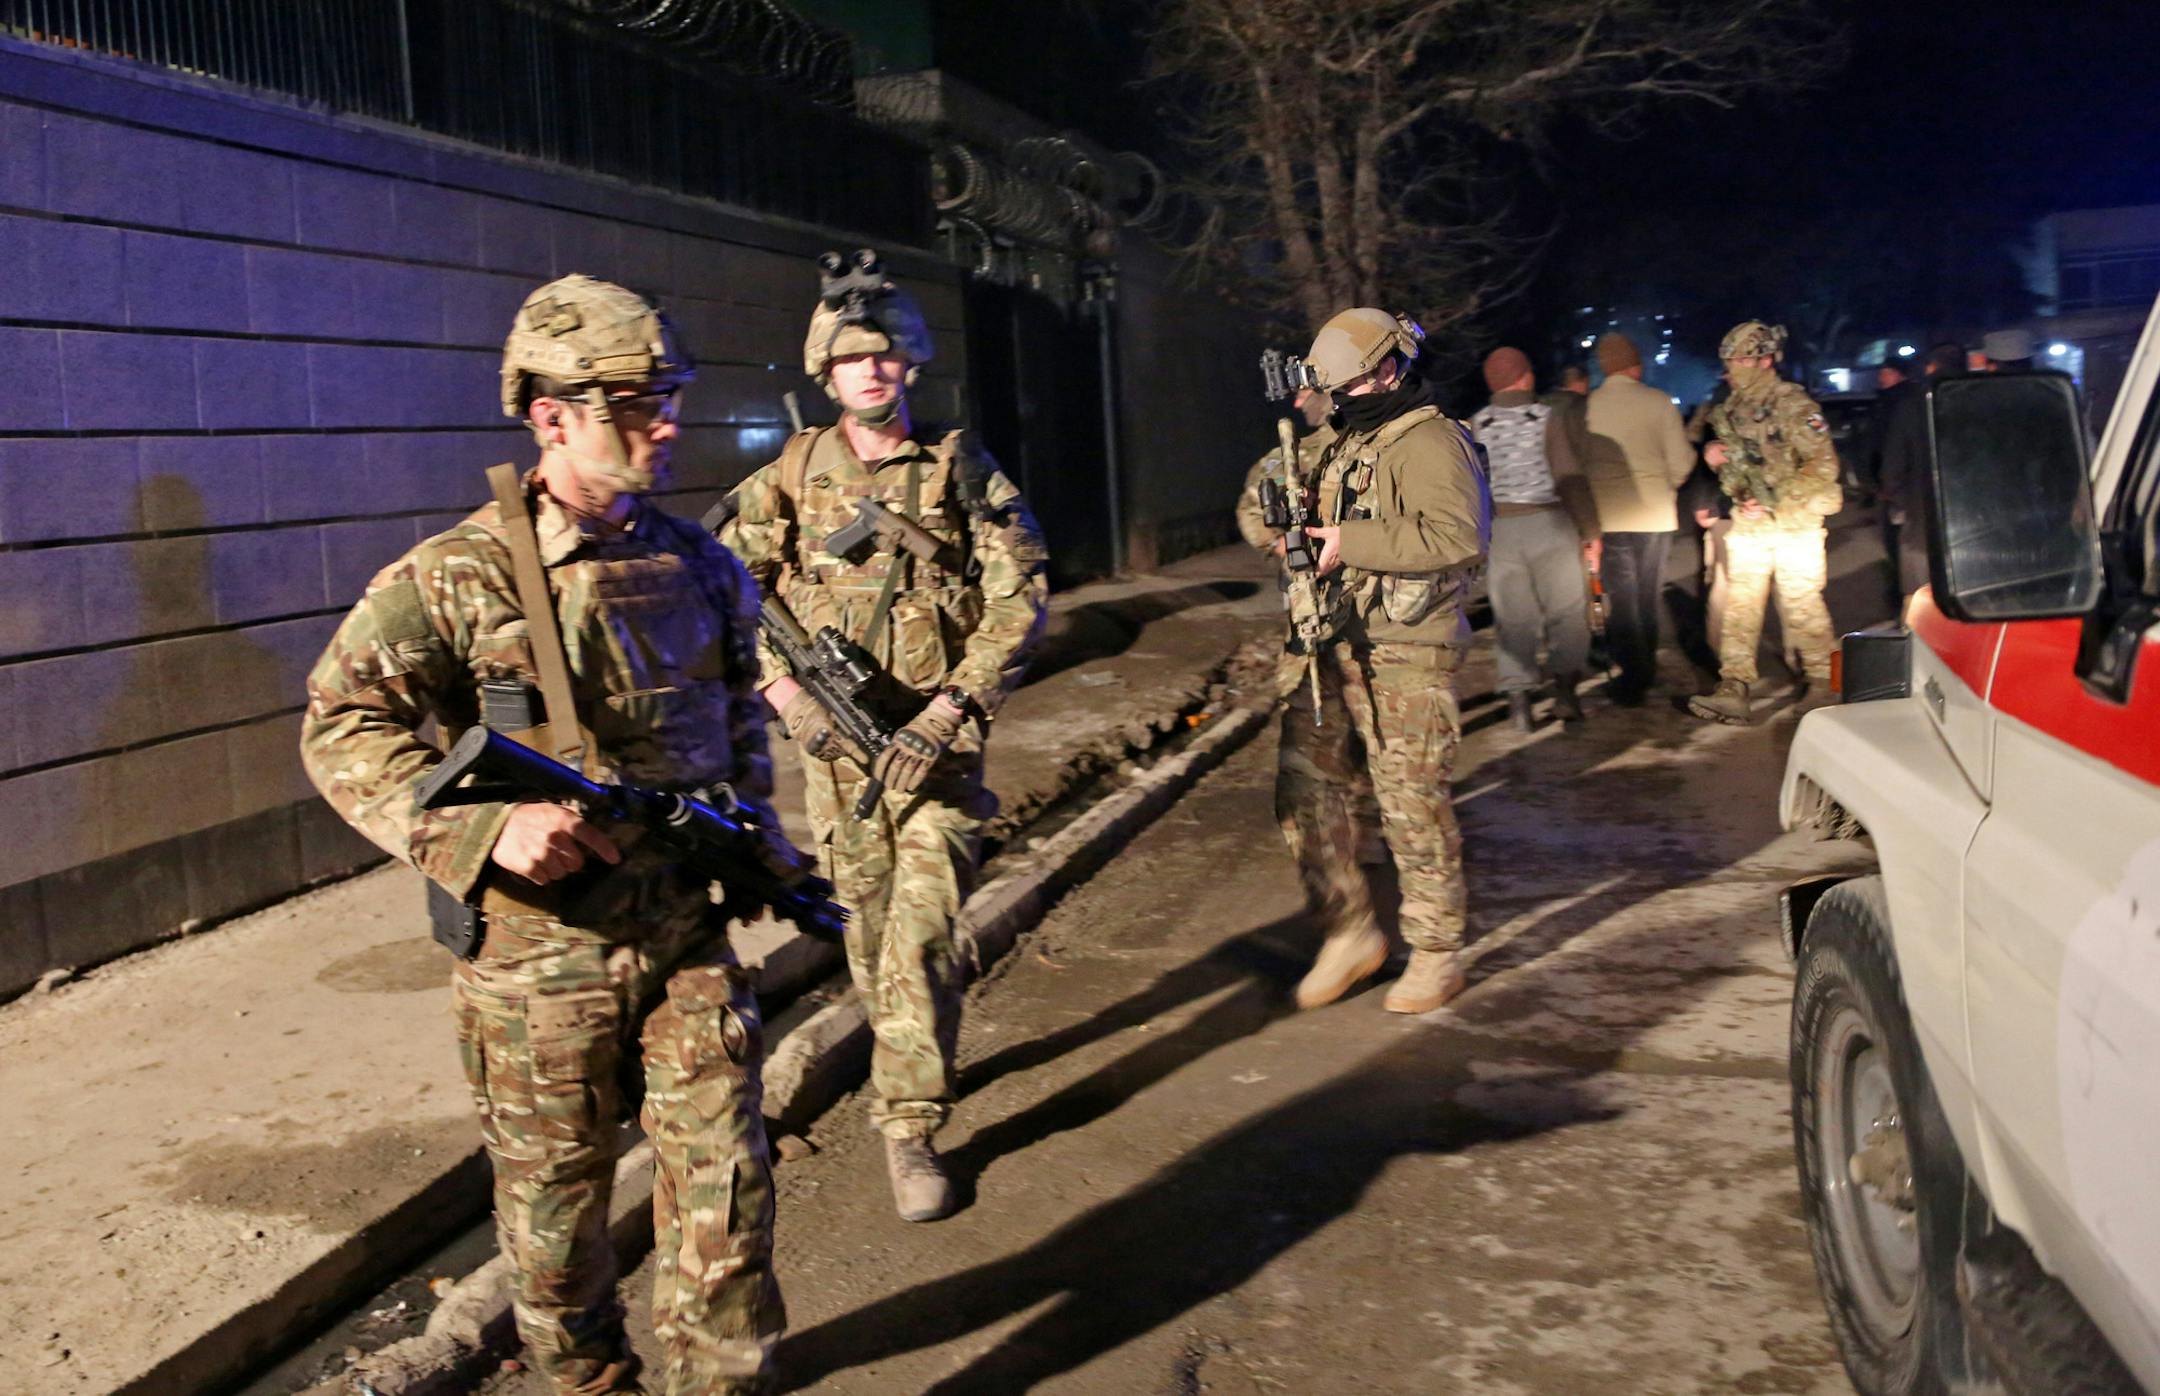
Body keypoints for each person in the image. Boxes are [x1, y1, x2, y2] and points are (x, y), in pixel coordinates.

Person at [299, 275, 787, 1394]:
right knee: (557, 1222)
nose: (664, 423)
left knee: (727, 1187)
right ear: (549, 414)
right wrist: (480, 826)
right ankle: (584, 1379)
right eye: (632, 402)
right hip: (538, 962)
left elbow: (738, 713)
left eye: (667, 395)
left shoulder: (701, 563)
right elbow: (340, 722)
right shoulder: (455, 574)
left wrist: (757, 838)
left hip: (681, 941)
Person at [715, 252, 1049, 1223]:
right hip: (834, 759)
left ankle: (908, 1122)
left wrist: (958, 702)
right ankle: (913, 1053)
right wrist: (783, 692)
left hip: (935, 750)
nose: (872, 372)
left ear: (911, 365)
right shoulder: (788, 474)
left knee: (925, 930)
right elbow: (725, 592)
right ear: (826, 373)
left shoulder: (957, 467)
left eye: (887, 357)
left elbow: (1018, 592)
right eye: (853, 359)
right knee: (867, 931)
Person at [1273, 307, 1489, 1015]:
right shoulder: (1343, 440)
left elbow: (1458, 536)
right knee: (1306, 790)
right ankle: (1348, 929)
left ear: (1391, 369)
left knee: (1411, 804)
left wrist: (1350, 542)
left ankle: (1436, 950)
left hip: (1406, 649)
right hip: (1332, 641)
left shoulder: (1429, 441)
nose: (1341, 400)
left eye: (1352, 385)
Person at [1688, 320, 1843, 724]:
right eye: (1729, 361)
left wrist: (1773, 497)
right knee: (1741, 605)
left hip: (1795, 524)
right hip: (1751, 523)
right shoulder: (1733, 409)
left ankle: (1826, 682)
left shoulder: (1793, 404)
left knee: (1802, 604)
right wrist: (1722, 465)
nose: (1731, 369)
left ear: (1763, 360)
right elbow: (1741, 469)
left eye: (1739, 360)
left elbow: (1823, 466)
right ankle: (1733, 687)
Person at [1469, 347, 1599, 730]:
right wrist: (1590, 531)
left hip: (1502, 532)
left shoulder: (1477, 423)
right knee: (1567, 611)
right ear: (1525, 378)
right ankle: (1565, 692)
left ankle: (1519, 700)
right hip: (1550, 524)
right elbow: (1568, 477)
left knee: (1513, 618)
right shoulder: (1546, 417)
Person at [1582, 332, 1694, 704]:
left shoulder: (1589, 407)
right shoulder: (1659, 402)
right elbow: (1680, 461)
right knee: (1648, 595)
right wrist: (1668, 485)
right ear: (1635, 365)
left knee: (1622, 598)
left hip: (1610, 514)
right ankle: (1646, 664)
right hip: (1655, 513)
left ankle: (1634, 674)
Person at [1876, 341, 1965, 603]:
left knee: (1919, 601)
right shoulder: (1981, 399)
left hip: (1921, 524)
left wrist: (1899, 502)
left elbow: (1892, 468)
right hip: (1973, 525)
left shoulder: (1911, 405)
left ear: (1930, 367)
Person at [1866, 358, 1925, 613]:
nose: (1882, 376)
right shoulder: (1904, 399)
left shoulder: (1900, 403)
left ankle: (1910, 613)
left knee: (1904, 552)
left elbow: (1892, 449)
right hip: (1905, 489)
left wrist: (1887, 487)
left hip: (1903, 493)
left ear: (1900, 375)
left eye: (1887, 372)